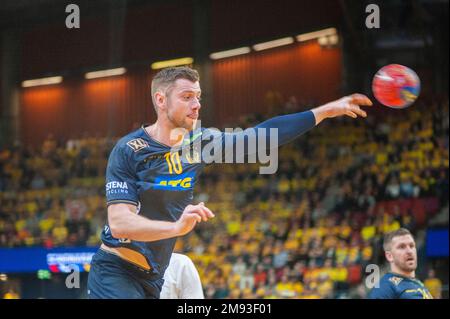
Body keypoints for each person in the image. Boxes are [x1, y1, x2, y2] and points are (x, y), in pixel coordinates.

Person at [87, 66, 372, 298]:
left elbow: (260, 138)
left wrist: (324, 111)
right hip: (116, 271)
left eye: (198, 97)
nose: (197, 105)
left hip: (155, 279)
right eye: (187, 97)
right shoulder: (129, 149)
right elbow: (120, 223)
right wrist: (175, 228)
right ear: (161, 100)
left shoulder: (199, 142)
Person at [368, 228, 433, 299]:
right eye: (402, 247)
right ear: (390, 256)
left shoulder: (417, 282)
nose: (409, 251)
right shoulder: (385, 287)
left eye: (411, 246)